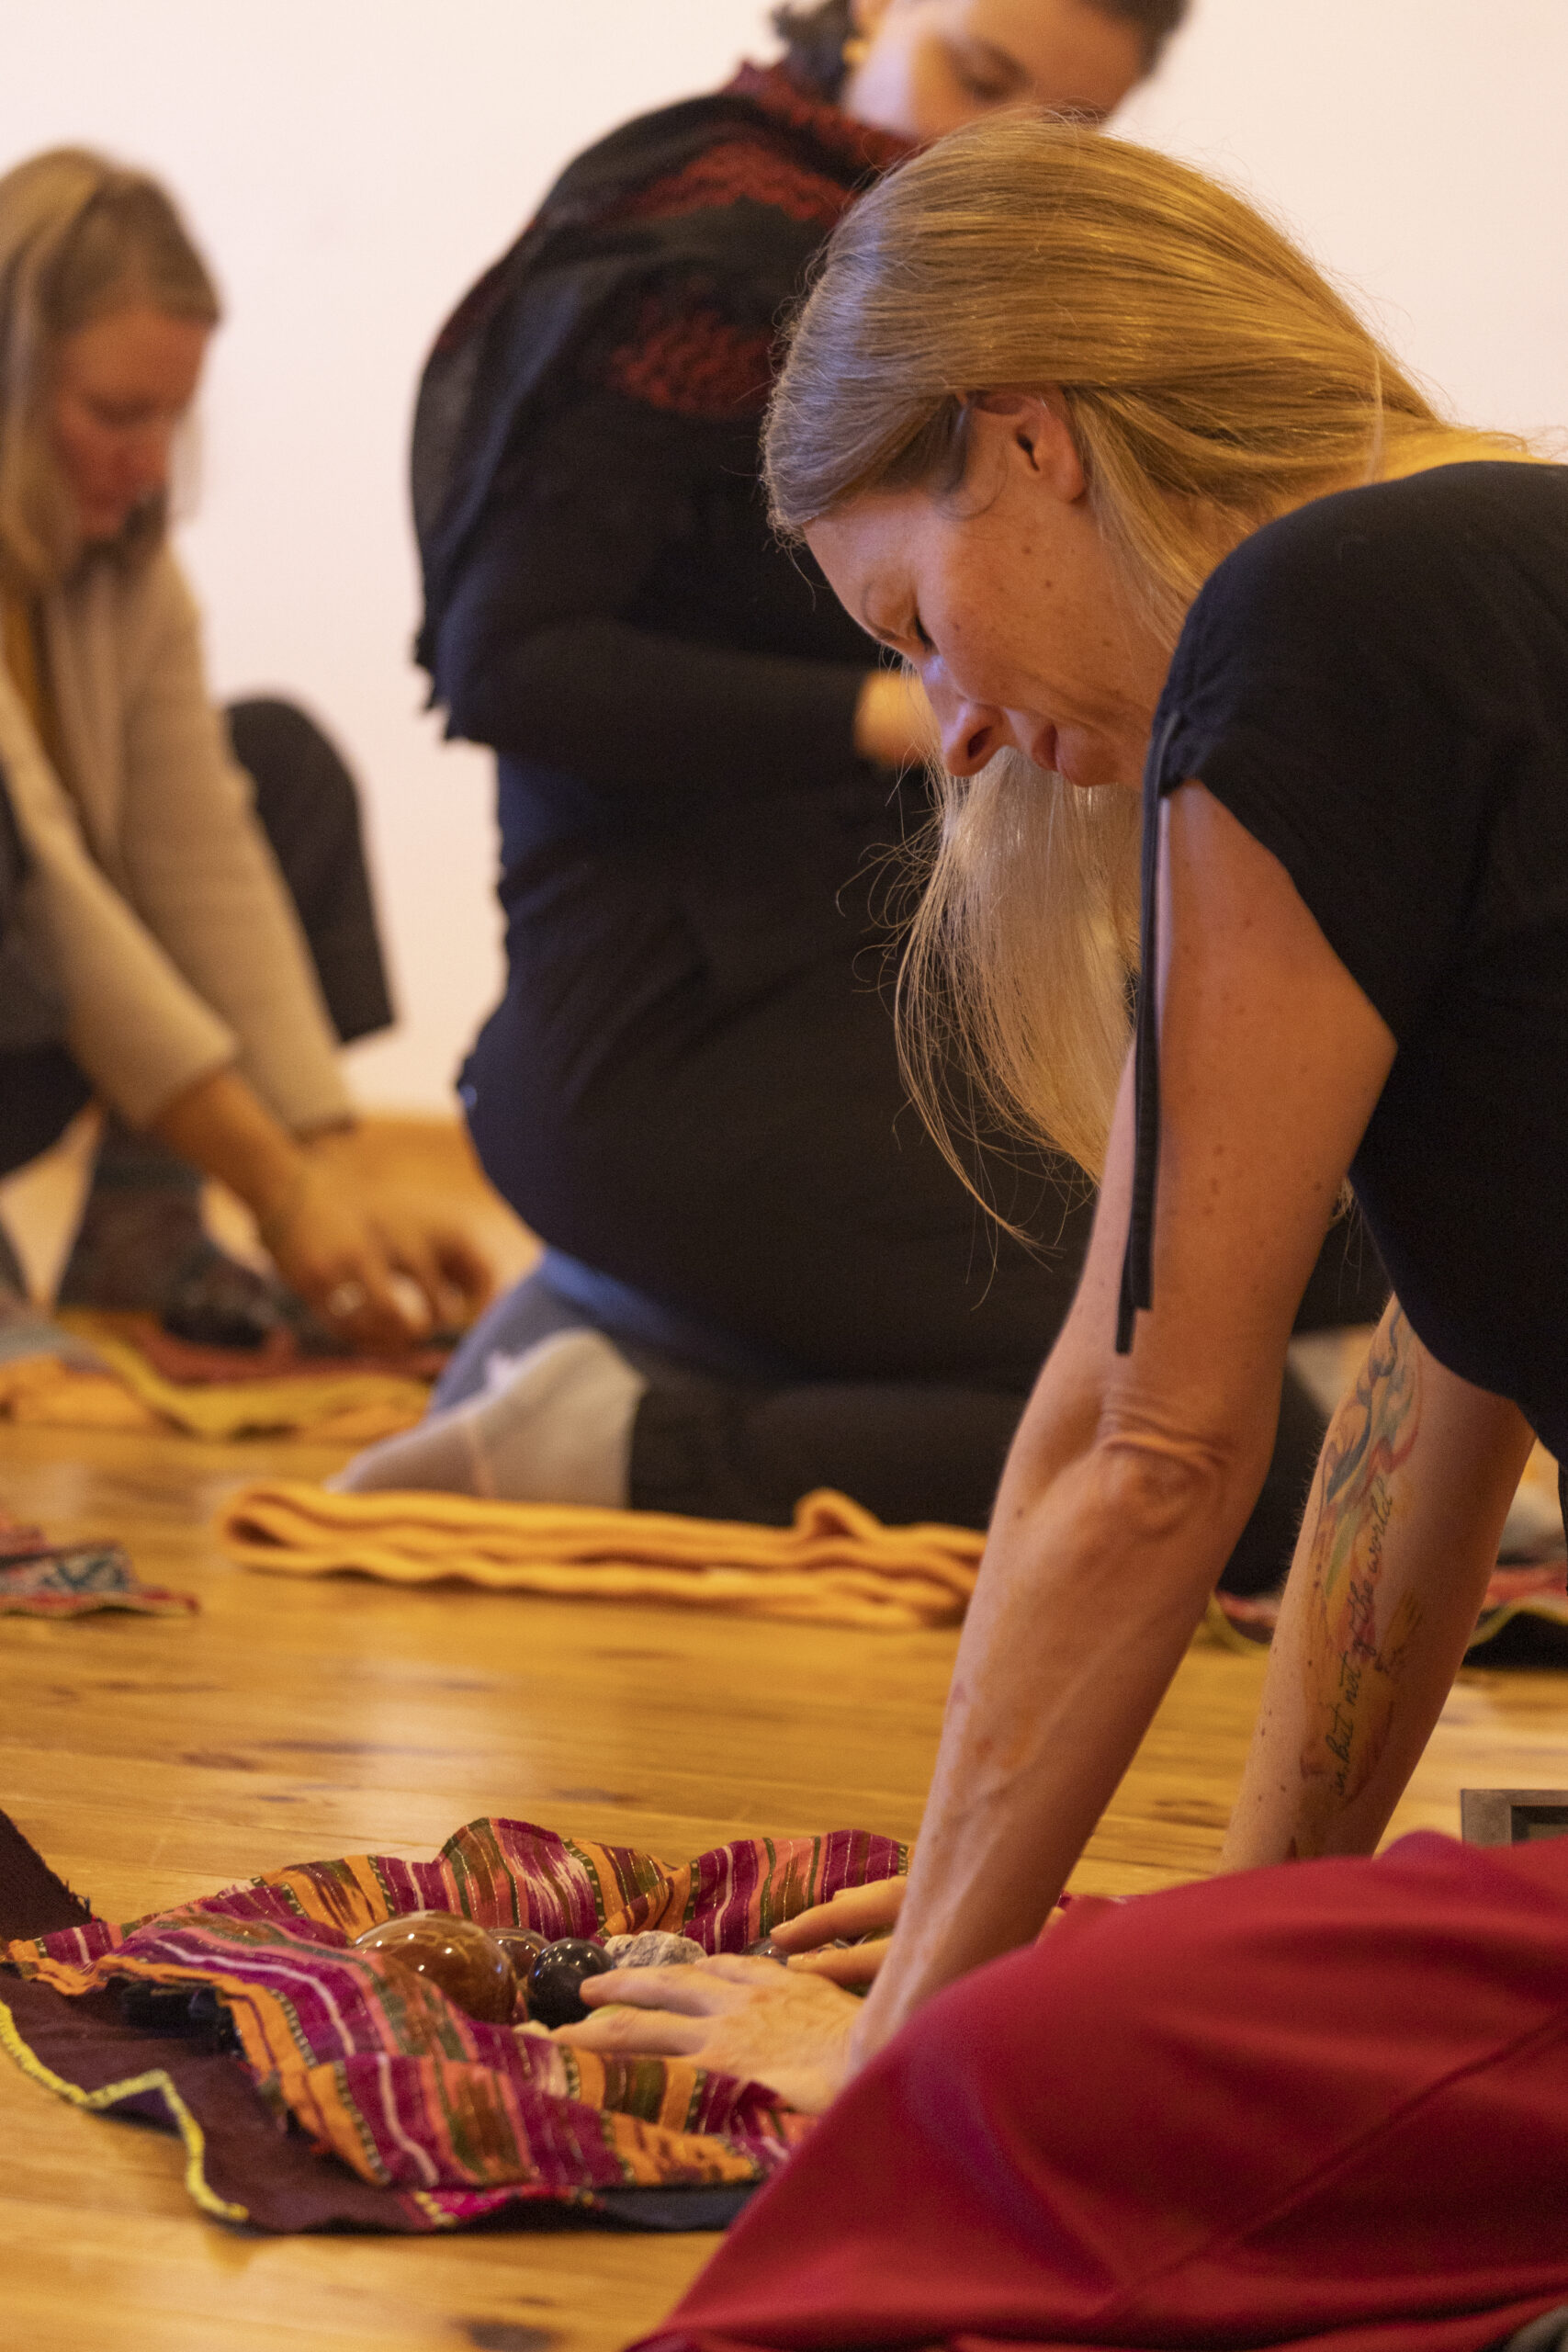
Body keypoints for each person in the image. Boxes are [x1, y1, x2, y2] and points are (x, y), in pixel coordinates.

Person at [534, 119, 1568, 2343]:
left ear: (1025, 436)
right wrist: (1238, 1966)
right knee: (1136, 2013)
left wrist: (910, 2041)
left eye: (918, 618)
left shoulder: (1320, 618)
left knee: (991, 2130)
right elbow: (1419, 1437)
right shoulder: (1485, 590)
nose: (960, 725)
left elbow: (1147, 1449)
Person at [344, 0, 1371, 1586]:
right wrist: (912, 696)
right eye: (976, 76)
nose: (981, 147)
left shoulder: (996, 305)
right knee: (1227, 1447)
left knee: (1350, 1228)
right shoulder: (705, 249)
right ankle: (612, 1431)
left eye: (1054, 131)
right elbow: (511, 666)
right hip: (669, 1030)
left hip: (875, 988)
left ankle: (666, 1322)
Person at [0, 149, 491, 1351]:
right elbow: (52, 899)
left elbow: (201, 861)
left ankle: (140, 1238)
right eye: (117, 415)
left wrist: (340, 1179)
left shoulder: (131, 571)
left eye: (173, 416)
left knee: (278, 763)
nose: (152, 459)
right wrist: (279, 1192)